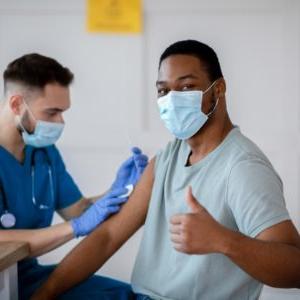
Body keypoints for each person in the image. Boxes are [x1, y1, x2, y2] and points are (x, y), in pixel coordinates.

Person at [32, 40, 300, 300]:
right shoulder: (169, 156)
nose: (172, 100)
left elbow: (295, 269)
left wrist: (224, 241)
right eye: (163, 90)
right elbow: (108, 236)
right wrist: (44, 294)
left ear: (218, 90)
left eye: (186, 87)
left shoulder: (242, 167)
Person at [0, 53, 148, 300]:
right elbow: (78, 222)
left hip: (26, 277)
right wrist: (75, 228)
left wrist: (119, 191)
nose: (61, 121)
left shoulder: (44, 153)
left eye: (63, 112)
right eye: (52, 112)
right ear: (16, 105)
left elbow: (79, 211)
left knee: (130, 297)